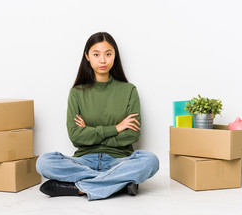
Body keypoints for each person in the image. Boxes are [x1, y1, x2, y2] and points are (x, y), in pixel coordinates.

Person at [36, 32, 159, 201]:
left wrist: (90, 132)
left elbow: (132, 135)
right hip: (84, 161)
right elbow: (75, 137)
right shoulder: (77, 93)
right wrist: (116, 128)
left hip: (119, 160)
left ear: (115, 56)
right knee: (44, 162)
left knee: (150, 160)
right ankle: (118, 182)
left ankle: (79, 188)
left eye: (108, 54)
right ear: (87, 56)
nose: (103, 60)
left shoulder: (129, 90)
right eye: (96, 54)